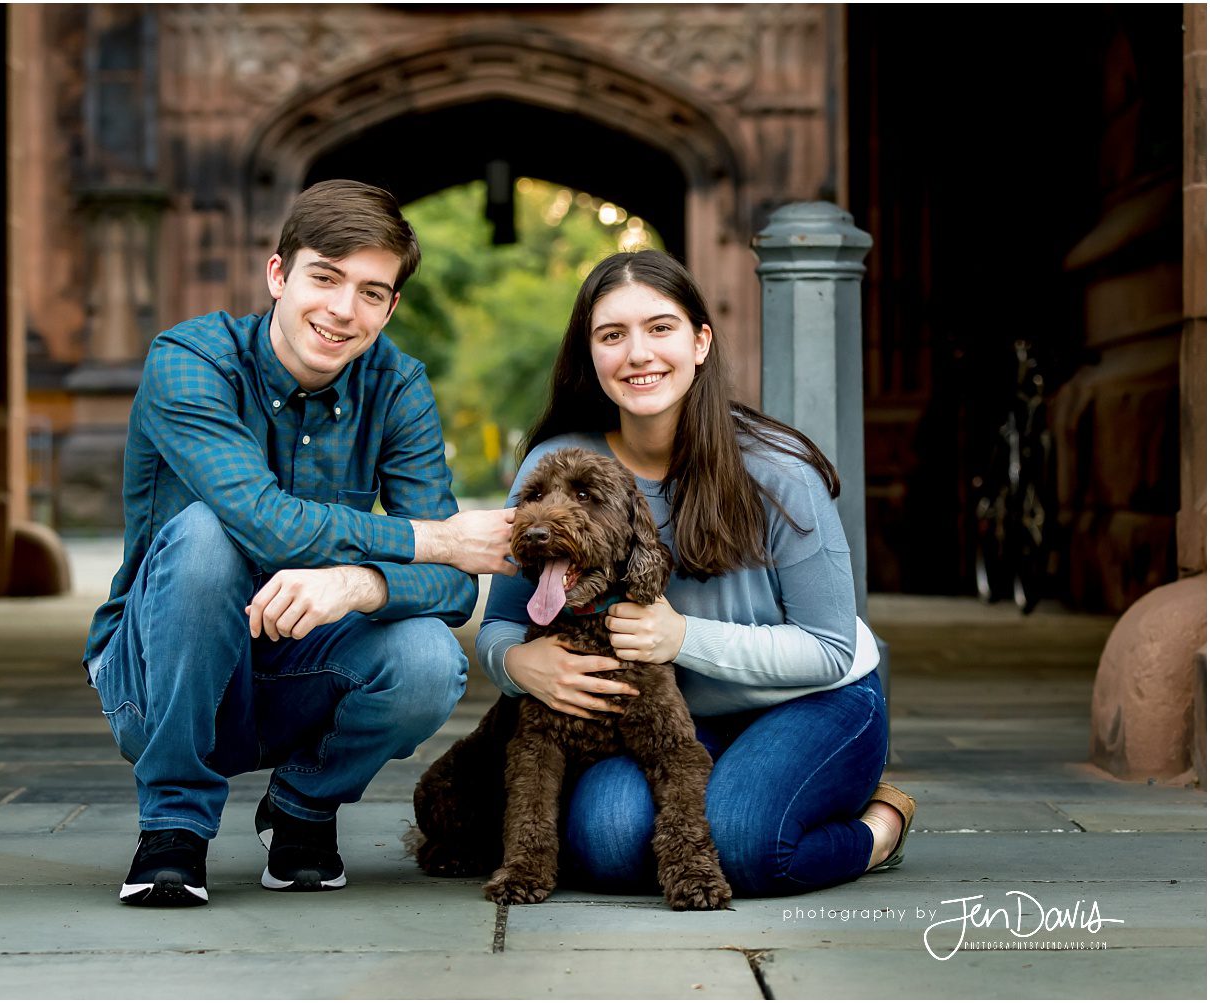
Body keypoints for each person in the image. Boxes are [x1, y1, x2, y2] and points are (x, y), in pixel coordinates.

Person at [85, 180, 515, 907]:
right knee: (206, 534)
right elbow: (267, 522)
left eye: (372, 292)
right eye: (325, 277)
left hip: (298, 673)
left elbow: (454, 583)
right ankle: (173, 824)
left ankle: (304, 807)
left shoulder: (398, 385)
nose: (344, 310)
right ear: (278, 274)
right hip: (157, 682)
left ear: (390, 307)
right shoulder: (190, 359)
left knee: (429, 658)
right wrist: (425, 538)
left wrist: (361, 583)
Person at [477, 249, 915, 898]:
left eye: (660, 328)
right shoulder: (558, 466)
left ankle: (881, 823)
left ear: (700, 341)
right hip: (678, 717)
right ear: (589, 355)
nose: (637, 354)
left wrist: (681, 638)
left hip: (813, 701)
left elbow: (830, 649)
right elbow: (503, 622)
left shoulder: (778, 470)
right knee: (606, 840)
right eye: (611, 335)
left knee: (743, 845)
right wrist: (516, 664)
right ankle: (755, 787)